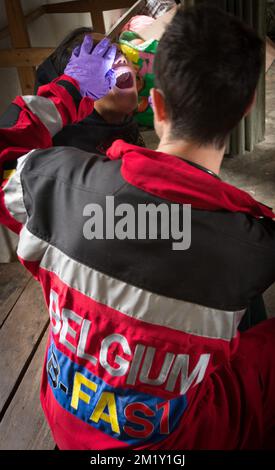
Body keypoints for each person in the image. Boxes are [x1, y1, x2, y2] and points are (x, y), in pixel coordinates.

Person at [0, 5, 275, 450]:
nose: (119, 67)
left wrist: (65, 91)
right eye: (98, 65)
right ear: (245, 110)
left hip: (69, 420)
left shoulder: (52, 184)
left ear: (155, 102)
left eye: (122, 57)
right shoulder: (252, 245)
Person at [35, 27, 144, 155]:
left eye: (119, 52)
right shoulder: (70, 148)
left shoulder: (126, 123)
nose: (122, 60)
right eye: (103, 56)